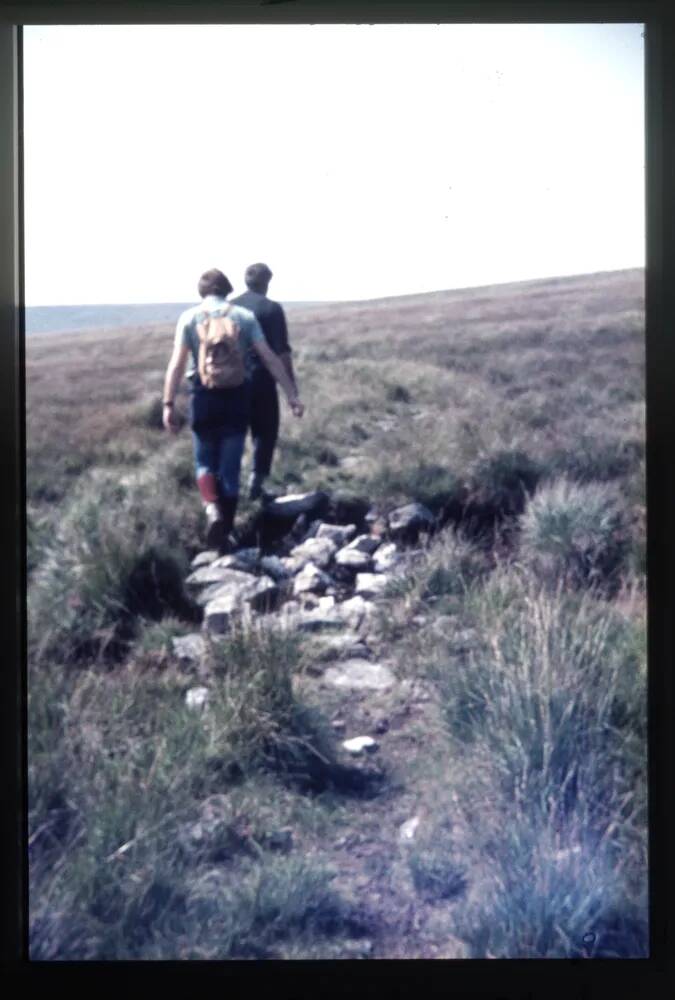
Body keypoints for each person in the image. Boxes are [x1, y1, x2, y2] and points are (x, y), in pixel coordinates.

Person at [162, 268, 304, 551]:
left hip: (202, 396)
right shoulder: (243, 317)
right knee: (229, 469)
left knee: (204, 462)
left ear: (201, 292)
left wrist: (167, 404)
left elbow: (176, 365)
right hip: (237, 397)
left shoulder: (189, 318)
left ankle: (211, 509)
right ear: (228, 290)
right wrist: (291, 394)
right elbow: (271, 358)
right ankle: (226, 531)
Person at [231, 263, 297, 499]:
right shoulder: (271, 309)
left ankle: (229, 487)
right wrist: (292, 391)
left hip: (230, 381)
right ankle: (255, 485)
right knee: (265, 431)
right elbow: (282, 353)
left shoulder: (229, 307)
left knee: (233, 433)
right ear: (267, 282)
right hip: (261, 378)